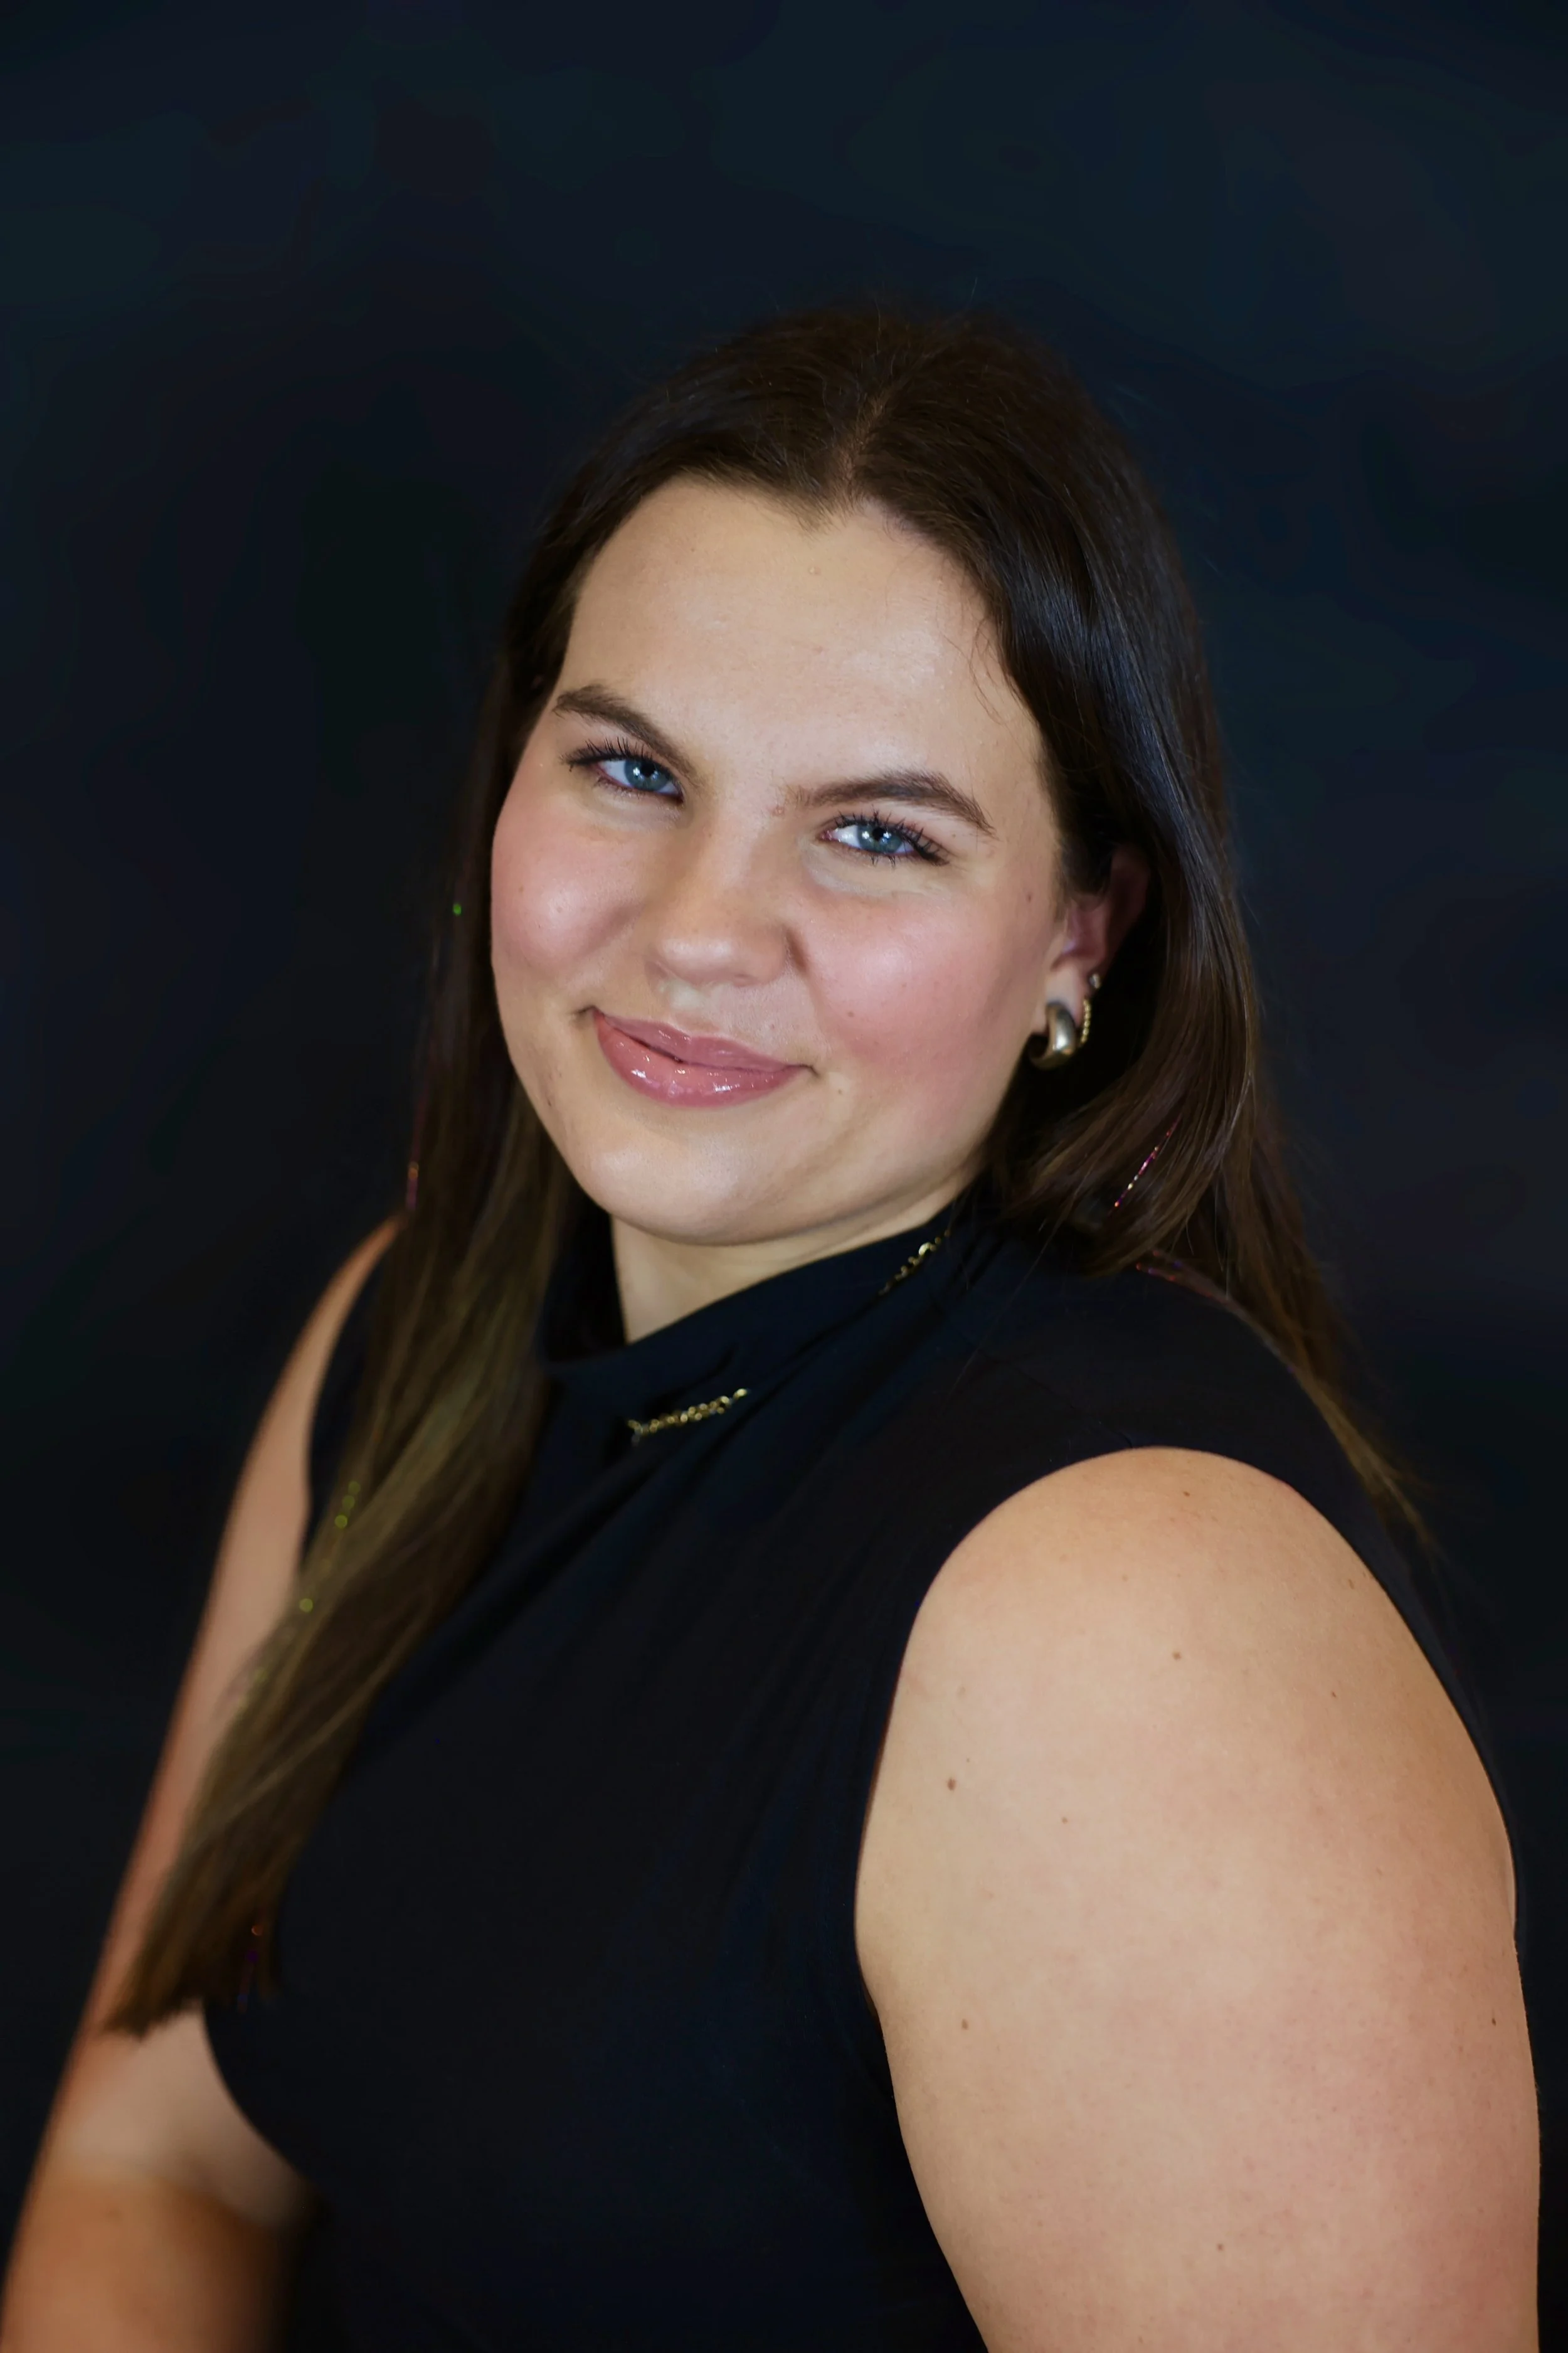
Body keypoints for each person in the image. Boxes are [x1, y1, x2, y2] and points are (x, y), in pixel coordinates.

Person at [1, 307, 1537, 2352]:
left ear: (1080, 939)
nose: (703, 930)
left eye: (876, 831)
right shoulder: (418, 1327)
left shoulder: (1129, 1624)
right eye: (631, 768)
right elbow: (155, 2161)